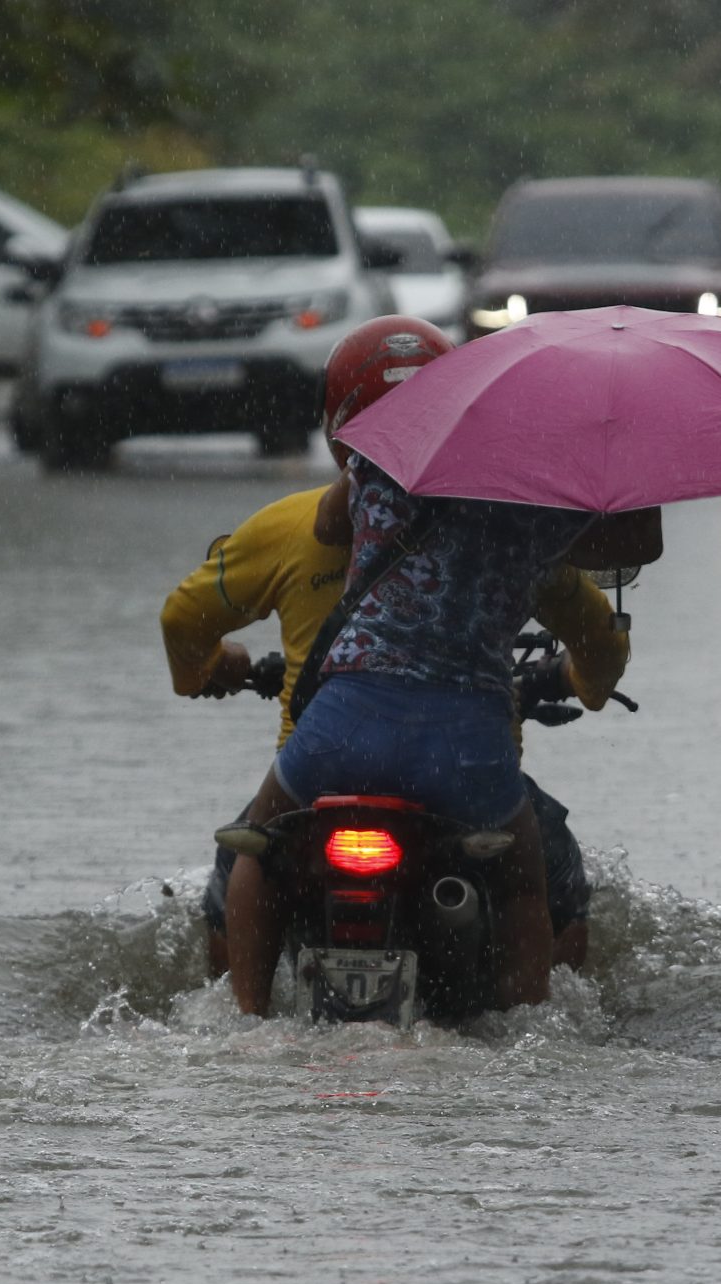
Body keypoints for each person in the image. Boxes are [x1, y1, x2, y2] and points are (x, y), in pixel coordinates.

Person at [158, 317, 632, 979]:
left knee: (245, 864)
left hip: (332, 753)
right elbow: (602, 641)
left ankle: (240, 1015)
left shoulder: (312, 516)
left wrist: (207, 671)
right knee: (548, 884)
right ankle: (540, 1024)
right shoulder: (515, 527)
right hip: (467, 763)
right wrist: (582, 682)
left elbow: (182, 619)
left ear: (337, 426)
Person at [221, 390, 661, 1016]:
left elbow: (325, 526)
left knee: (259, 848)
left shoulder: (386, 460)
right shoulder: (541, 507)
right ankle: (523, 1025)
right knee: (519, 888)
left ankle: (247, 1018)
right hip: (465, 745)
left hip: (343, 724)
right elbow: (635, 547)